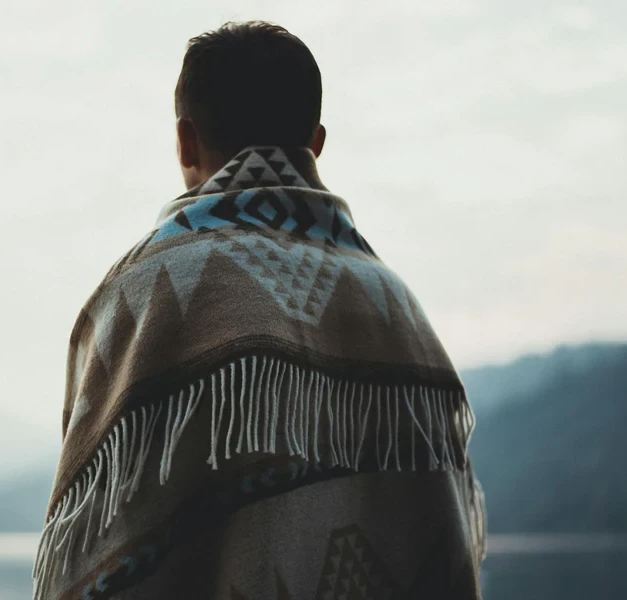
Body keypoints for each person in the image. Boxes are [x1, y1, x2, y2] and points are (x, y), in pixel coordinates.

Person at [33, 21, 485, 600]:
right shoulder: (397, 306)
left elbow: (96, 558)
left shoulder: (153, 290)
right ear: (316, 142)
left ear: (186, 141)